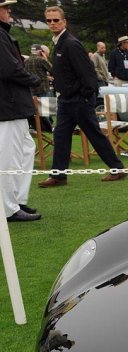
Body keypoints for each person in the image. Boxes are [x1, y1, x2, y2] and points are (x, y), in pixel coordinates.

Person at [37, 6, 128, 187]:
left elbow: (88, 73)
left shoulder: (71, 43)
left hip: (78, 99)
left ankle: (117, 168)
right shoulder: (58, 43)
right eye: (49, 20)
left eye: (56, 20)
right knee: (61, 136)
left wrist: (85, 96)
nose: (52, 23)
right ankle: (58, 175)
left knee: (94, 134)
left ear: (64, 22)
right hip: (65, 99)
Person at [0, 0, 41, 222]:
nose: (9, 11)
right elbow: (9, 69)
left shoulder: (3, 34)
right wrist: (34, 80)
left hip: (12, 105)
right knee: (9, 158)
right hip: (8, 106)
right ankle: (8, 208)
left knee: (25, 149)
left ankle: (16, 200)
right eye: (5, 7)